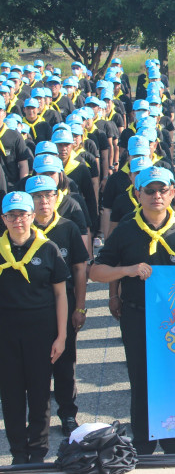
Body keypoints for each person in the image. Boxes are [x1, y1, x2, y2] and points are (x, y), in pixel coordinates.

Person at [90, 167, 175, 455]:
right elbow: (96, 271)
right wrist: (127, 270)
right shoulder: (126, 230)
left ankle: (174, 443)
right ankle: (143, 444)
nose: (157, 195)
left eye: (162, 190)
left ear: (173, 193)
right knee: (141, 380)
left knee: (174, 378)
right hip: (138, 316)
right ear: (138, 194)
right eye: (150, 190)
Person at [0, 191, 68, 464]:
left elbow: (61, 295)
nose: (18, 220)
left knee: (40, 394)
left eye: (23, 215)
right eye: (12, 215)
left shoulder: (48, 248)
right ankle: (18, 453)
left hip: (41, 332)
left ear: (32, 216)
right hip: (6, 333)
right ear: (4, 219)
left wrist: (62, 336)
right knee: (11, 395)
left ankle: (38, 452)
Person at [27, 175, 89, 437]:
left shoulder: (68, 228)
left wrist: (80, 307)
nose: (44, 201)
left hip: (64, 303)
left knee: (65, 363)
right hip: (31, 307)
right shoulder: (20, 229)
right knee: (33, 364)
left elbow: (79, 268)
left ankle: (68, 413)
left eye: (48, 195)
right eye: (37, 196)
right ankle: (37, 417)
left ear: (56, 197)